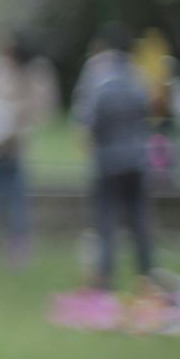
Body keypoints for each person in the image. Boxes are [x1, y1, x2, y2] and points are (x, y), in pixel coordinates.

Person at [72, 23, 157, 291]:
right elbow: (147, 112)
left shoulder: (100, 79)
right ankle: (146, 273)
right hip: (136, 159)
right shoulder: (137, 77)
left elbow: (90, 120)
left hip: (108, 161)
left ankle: (105, 277)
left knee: (105, 220)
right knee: (139, 220)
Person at [0, 31, 58, 264]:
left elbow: (43, 110)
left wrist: (18, 119)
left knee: (18, 197)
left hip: (18, 144)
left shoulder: (36, 72)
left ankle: (18, 244)